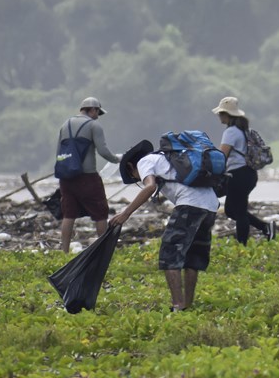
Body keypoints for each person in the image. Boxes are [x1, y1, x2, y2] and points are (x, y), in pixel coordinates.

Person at [111, 140, 218, 311]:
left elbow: (149, 187)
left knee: (169, 255)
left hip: (190, 205)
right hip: (211, 205)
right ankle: (187, 305)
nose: (138, 179)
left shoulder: (144, 161)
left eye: (134, 178)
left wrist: (125, 214)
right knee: (193, 257)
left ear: (131, 166)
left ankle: (177, 305)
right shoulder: (165, 158)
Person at [57, 97, 121, 252]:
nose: (98, 116)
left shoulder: (65, 125)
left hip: (66, 177)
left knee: (68, 213)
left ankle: (64, 252)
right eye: (98, 112)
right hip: (87, 177)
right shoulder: (94, 125)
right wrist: (118, 159)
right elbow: (103, 151)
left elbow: (59, 152)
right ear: (92, 109)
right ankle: (103, 250)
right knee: (100, 213)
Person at [212, 97, 276, 244]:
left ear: (227, 115)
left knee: (239, 211)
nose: (219, 116)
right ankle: (265, 227)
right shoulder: (245, 130)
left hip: (238, 174)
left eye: (221, 113)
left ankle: (242, 245)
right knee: (230, 210)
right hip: (248, 174)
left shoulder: (231, 132)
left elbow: (221, 156)